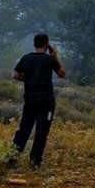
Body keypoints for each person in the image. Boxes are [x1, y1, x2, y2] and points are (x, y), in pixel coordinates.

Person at [11, 33, 66, 168]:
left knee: (24, 129)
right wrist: (55, 56)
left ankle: (12, 158)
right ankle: (35, 161)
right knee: (42, 131)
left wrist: (29, 80)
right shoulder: (49, 59)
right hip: (46, 102)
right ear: (47, 44)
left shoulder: (26, 58)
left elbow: (15, 75)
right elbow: (62, 74)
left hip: (30, 100)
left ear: (34, 44)